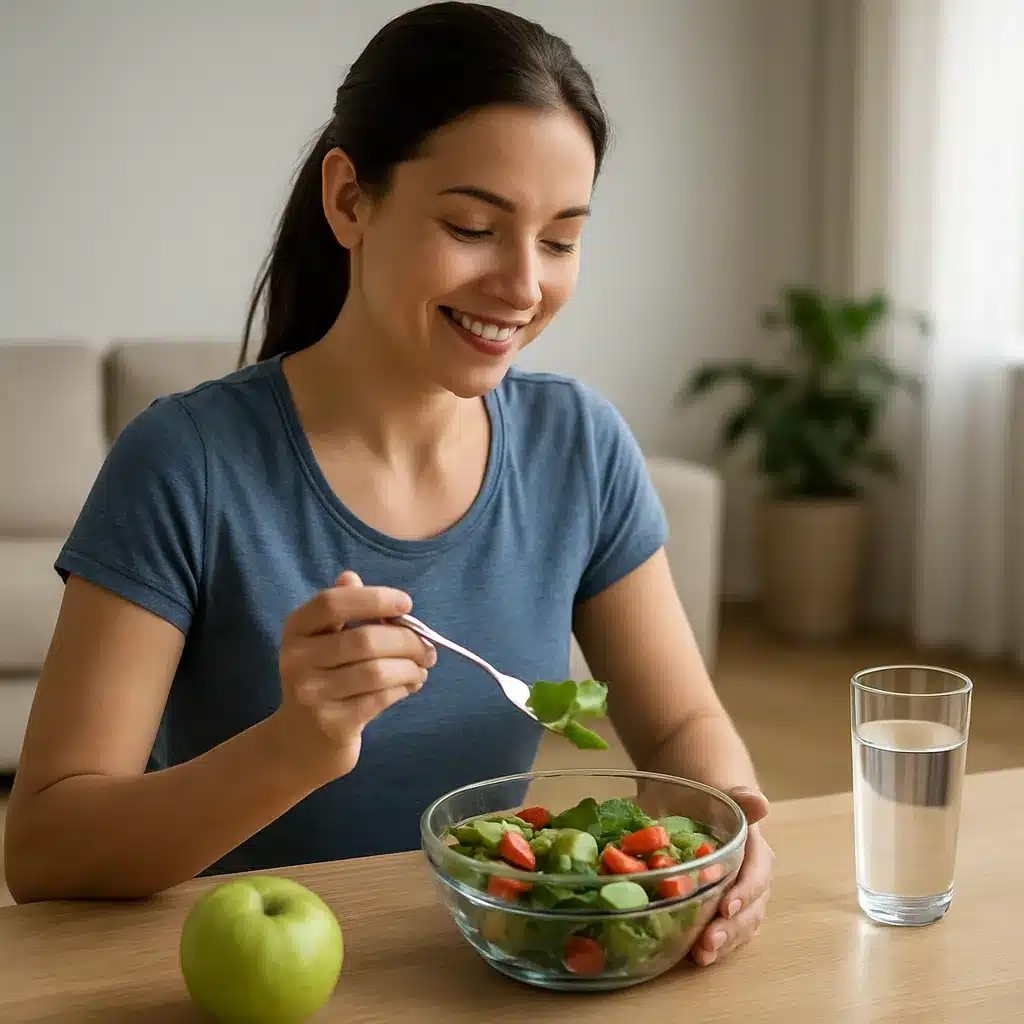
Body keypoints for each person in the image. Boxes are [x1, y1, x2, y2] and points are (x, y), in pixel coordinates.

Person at [3, 2, 771, 968]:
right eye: (472, 226)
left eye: (562, 240)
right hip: (218, 980)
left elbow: (678, 722)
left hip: (472, 965)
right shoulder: (185, 461)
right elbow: (44, 847)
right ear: (350, 201)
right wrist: (293, 747)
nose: (524, 284)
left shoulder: (578, 444)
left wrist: (732, 827)